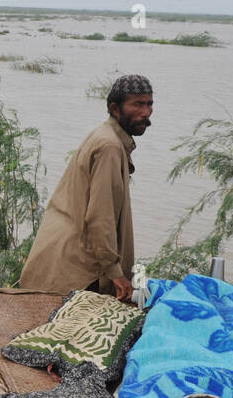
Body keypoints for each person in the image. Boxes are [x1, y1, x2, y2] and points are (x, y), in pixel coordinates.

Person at [18, 74, 153, 301]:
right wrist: (115, 273)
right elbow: (100, 217)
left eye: (149, 104)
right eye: (137, 104)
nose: (146, 112)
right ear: (115, 108)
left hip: (65, 260)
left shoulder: (107, 137)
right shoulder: (109, 146)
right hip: (76, 271)